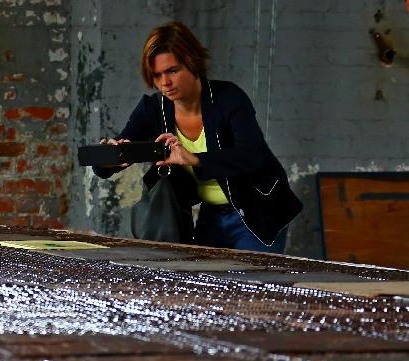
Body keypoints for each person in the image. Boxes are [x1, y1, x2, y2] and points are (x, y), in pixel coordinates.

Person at [94, 21, 301, 253]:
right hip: (211, 216)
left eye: (172, 70)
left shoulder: (228, 98)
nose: (165, 83)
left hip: (256, 212)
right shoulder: (153, 109)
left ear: (192, 62)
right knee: (204, 285)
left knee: (253, 287)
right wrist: (111, 157)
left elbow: (253, 155)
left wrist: (194, 159)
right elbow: (119, 152)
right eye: (157, 75)